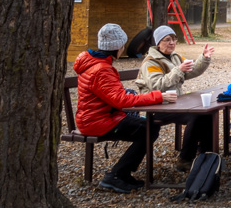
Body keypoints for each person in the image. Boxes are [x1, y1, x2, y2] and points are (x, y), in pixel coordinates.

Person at [74, 24, 176, 193]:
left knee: (146, 126)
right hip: (98, 122)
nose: (123, 49)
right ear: (117, 48)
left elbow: (112, 96)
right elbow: (121, 100)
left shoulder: (95, 63)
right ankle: (116, 175)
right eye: (122, 45)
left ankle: (123, 173)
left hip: (96, 117)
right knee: (149, 129)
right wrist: (158, 96)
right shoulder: (102, 69)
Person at [133, 26, 216, 170]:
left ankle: (206, 155)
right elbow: (157, 85)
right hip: (157, 105)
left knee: (207, 112)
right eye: (167, 40)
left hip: (174, 103)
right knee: (196, 116)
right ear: (158, 43)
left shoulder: (175, 57)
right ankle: (185, 160)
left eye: (174, 39)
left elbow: (191, 70)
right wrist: (178, 70)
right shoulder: (151, 62)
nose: (172, 43)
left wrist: (204, 58)